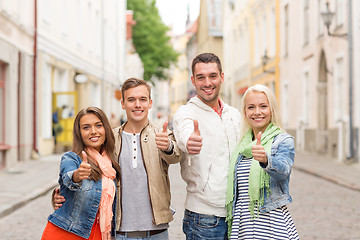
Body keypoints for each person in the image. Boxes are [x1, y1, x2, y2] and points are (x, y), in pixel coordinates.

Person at [54, 77, 182, 240]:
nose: (137, 104)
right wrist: (62, 194)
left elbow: (176, 156)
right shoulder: (109, 139)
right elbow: (84, 167)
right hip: (121, 232)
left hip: (157, 231)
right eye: (131, 100)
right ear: (122, 103)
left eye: (142, 99)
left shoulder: (162, 135)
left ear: (150, 103)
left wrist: (168, 147)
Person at [173, 52, 241, 239]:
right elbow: (185, 132)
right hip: (204, 218)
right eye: (201, 77)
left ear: (222, 77)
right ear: (193, 81)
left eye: (212, 76)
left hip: (237, 215)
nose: (207, 83)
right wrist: (189, 142)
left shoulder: (234, 114)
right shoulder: (186, 113)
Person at [225, 85, 299, 239]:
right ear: (245, 112)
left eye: (263, 106)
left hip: (271, 223)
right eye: (251, 107)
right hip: (244, 222)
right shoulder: (242, 145)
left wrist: (266, 160)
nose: (257, 112)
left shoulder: (283, 140)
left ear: (271, 110)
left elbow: (284, 170)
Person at [42, 106, 121, 240]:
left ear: (106, 129)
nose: (93, 131)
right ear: (79, 133)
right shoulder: (72, 158)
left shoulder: (112, 162)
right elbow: (68, 178)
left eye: (98, 125)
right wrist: (77, 175)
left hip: (99, 234)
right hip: (67, 232)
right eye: (86, 127)